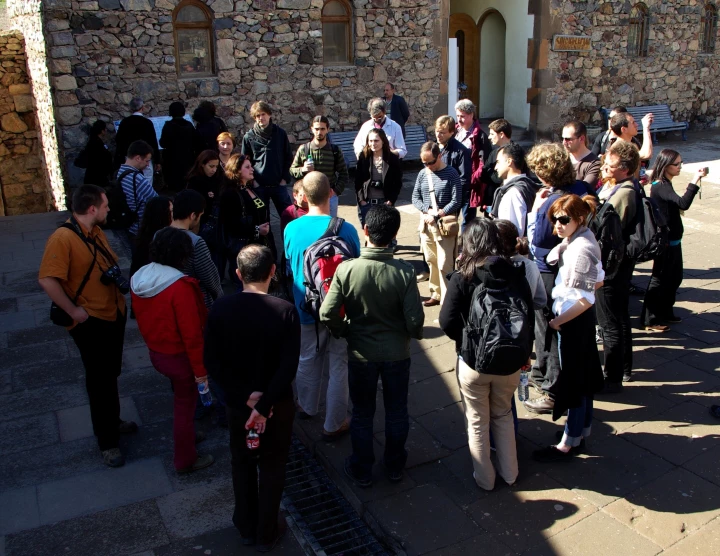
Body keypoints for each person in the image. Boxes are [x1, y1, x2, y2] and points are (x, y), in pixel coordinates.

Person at [320, 205, 424, 487]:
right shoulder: (404, 272)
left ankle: (361, 468)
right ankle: (394, 466)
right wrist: (406, 333)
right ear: (394, 235)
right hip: (397, 355)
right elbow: (416, 322)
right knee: (397, 411)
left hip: (360, 354)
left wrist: (345, 331)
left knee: (363, 413)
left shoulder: (347, 270)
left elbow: (327, 313)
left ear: (365, 231)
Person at [205, 244, 300, 551]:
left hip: (238, 405)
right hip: (277, 405)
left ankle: (245, 525)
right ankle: (267, 531)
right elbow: (288, 367)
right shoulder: (285, 311)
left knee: (242, 462)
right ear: (272, 272)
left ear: (238, 274)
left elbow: (212, 362)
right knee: (273, 465)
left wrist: (246, 399)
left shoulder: (219, 308)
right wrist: (264, 404)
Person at [38, 185, 134, 468]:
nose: (108, 210)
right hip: (91, 320)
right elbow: (47, 280)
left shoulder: (93, 232)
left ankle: (112, 421)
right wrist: (74, 312)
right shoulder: (62, 239)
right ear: (92, 208)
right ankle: (107, 442)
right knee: (99, 380)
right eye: (105, 206)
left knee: (109, 374)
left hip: (110, 314)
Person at [438, 219, 533, 490]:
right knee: (503, 413)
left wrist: (467, 341)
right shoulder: (517, 273)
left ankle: (485, 479)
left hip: (473, 363)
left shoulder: (462, 276)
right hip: (512, 361)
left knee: (477, 420)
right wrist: (526, 353)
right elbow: (528, 316)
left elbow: (447, 321)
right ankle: (510, 474)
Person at [130, 227, 215, 474]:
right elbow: (192, 335)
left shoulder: (140, 278)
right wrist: (201, 372)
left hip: (158, 352)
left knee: (181, 402)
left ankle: (187, 436)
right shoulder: (180, 287)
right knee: (184, 405)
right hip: (181, 358)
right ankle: (185, 458)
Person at [284, 172, 361, 440]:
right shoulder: (347, 229)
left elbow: (290, 267)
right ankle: (334, 423)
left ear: (303, 197)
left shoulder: (291, 229)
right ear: (331, 193)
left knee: (308, 356)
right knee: (339, 363)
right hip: (340, 310)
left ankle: (307, 406)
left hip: (306, 307)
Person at [532, 194, 605, 462]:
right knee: (582, 380)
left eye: (563, 220)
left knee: (574, 383)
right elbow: (598, 281)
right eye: (555, 220)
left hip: (573, 323)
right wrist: (562, 246)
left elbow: (587, 298)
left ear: (579, 218)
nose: (558, 225)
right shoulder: (580, 239)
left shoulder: (581, 249)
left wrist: (557, 321)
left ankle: (569, 443)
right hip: (576, 322)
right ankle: (580, 432)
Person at [523, 143, 594, 414]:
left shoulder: (553, 202)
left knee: (547, 330)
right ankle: (546, 378)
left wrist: (538, 207)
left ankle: (552, 390)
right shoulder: (579, 189)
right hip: (564, 270)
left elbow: (538, 239)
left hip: (548, 272)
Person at [641, 150, 704, 330]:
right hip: (666, 241)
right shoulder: (661, 185)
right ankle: (650, 319)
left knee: (674, 278)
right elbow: (683, 203)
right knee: (660, 279)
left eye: (680, 163)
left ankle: (665, 311)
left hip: (673, 239)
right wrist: (695, 180)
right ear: (666, 165)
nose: (679, 167)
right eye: (676, 164)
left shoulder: (664, 183)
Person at [595, 140, 640, 391]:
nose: (605, 166)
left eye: (610, 164)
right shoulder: (622, 186)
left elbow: (607, 227)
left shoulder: (624, 193)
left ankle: (613, 378)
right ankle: (624, 370)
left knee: (610, 323)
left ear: (624, 168)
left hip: (611, 267)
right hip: (619, 266)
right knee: (620, 319)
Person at [411, 141, 462, 306]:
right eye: (424, 162)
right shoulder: (422, 174)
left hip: (444, 226)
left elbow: (456, 200)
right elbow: (415, 197)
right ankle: (435, 293)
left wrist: (439, 213)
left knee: (444, 263)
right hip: (427, 225)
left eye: (430, 162)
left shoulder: (452, 173)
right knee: (432, 261)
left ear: (439, 156)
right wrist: (426, 211)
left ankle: (448, 298)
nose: (427, 166)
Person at [219, 153, 273, 287]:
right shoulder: (230, 194)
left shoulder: (249, 189)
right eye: (247, 167)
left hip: (259, 244)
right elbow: (231, 225)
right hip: (243, 248)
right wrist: (256, 230)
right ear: (237, 170)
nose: (252, 169)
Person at [170, 189, 223, 308]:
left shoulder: (158, 235)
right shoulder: (195, 242)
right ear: (193, 215)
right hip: (195, 302)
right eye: (200, 215)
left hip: (169, 300)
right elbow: (211, 279)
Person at [241, 101, 293, 218]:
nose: (261, 118)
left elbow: (288, 157)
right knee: (261, 218)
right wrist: (254, 182)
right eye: (258, 116)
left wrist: (284, 179)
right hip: (259, 186)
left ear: (269, 114)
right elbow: (244, 162)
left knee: (289, 217)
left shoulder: (280, 134)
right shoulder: (249, 137)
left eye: (263, 114)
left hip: (279, 184)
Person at [290, 115, 349, 217]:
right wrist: (303, 169)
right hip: (308, 197)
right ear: (312, 129)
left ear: (327, 129)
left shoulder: (334, 150)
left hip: (329, 197)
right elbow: (292, 170)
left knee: (330, 228)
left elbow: (344, 174)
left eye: (322, 129)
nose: (319, 132)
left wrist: (335, 191)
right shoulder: (303, 149)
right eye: (316, 129)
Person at [354, 129, 403, 226]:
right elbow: (358, 181)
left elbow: (398, 182)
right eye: (370, 141)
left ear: (383, 141)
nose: (373, 144)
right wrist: (361, 200)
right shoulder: (364, 157)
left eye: (376, 141)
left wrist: (391, 200)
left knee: (387, 234)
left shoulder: (392, 158)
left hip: (384, 202)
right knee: (369, 234)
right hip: (367, 202)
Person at [454, 100, 492, 224]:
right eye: (458, 116)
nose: (459, 119)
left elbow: (483, 162)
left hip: (469, 183)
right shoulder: (455, 131)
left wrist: (474, 179)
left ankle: (466, 243)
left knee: (468, 220)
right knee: (450, 218)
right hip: (454, 180)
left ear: (471, 115)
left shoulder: (480, 136)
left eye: (462, 116)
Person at [490, 142, 537, 236]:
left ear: (509, 161)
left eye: (498, 162)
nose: (495, 167)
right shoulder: (527, 184)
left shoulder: (513, 193)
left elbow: (512, 234)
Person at [435, 116, 472, 231]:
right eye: (437, 131)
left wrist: (453, 196)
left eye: (442, 132)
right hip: (436, 194)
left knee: (450, 228)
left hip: (454, 197)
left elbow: (464, 178)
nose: (438, 135)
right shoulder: (434, 147)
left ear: (451, 133)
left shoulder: (461, 151)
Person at [113, 97, 161, 187]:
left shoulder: (125, 122)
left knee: (130, 179)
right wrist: (157, 160)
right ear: (142, 107)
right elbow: (153, 142)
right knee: (147, 179)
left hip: (130, 156)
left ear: (131, 109)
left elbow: (119, 140)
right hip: (145, 156)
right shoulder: (147, 123)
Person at [116, 140, 159, 238]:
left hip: (128, 224)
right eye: (147, 161)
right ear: (138, 158)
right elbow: (156, 201)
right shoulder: (137, 179)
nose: (148, 165)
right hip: (139, 229)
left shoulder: (120, 172)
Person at [159, 101, 204, 191]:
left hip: (172, 159)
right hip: (187, 158)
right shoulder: (189, 125)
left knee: (174, 185)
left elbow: (163, 143)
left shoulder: (168, 126)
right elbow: (196, 141)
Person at [129, 196, 173, 280]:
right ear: (162, 215)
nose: (174, 215)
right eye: (171, 211)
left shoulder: (143, 237)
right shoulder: (158, 242)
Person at [186, 149, 224, 230]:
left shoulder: (219, 178)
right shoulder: (194, 181)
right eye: (211, 166)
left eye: (216, 167)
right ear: (202, 164)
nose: (214, 170)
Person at [480, 118, 513, 210]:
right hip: (492, 199)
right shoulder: (493, 153)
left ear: (501, 134)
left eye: (492, 134)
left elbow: (489, 176)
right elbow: (484, 175)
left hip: (503, 199)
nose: (489, 137)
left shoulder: (516, 153)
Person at [562, 121, 601, 187]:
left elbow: (583, 188)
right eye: (563, 138)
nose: (564, 142)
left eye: (568, 139)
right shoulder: (562, 159)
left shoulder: (594, 163)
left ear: (582, 139)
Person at [78, 120, 113, 188]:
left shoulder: (92, 141)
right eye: (105, 129)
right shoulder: (97, 143)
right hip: (97, 177)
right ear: (102, 131)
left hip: (92, 175)